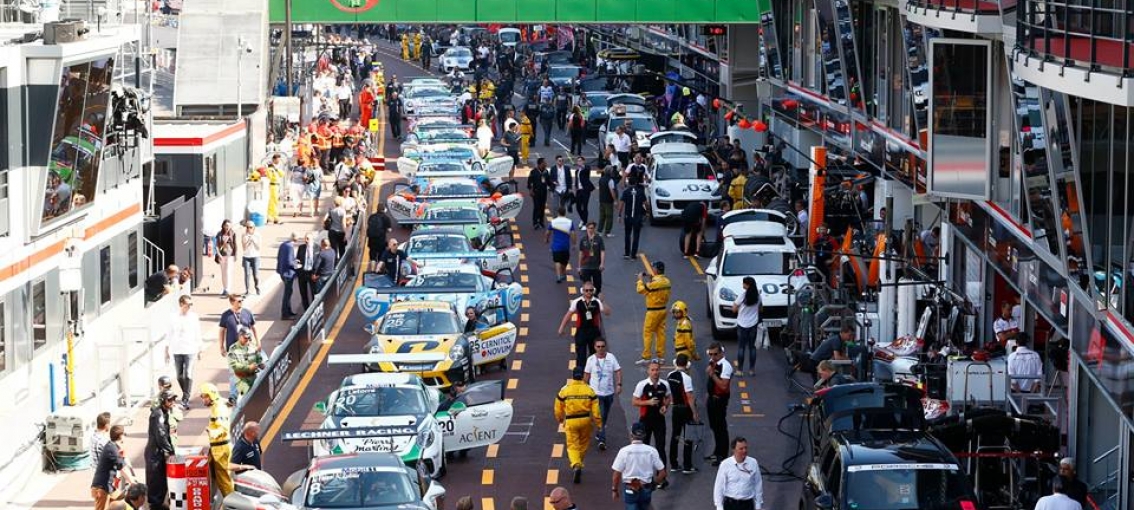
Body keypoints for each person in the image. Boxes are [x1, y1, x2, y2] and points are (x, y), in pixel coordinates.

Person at [555, 366, 602, 484]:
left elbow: (558, 406)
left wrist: (560, 419)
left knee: (572, 445)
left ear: (572, 376)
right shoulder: (589, 390)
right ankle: (579, 462)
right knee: (584, 444)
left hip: (571, 421)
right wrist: (599, 423)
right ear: (582, 376)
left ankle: (576, 464)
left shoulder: (565, 390)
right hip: (586, 420)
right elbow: (596, 410)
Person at [611, 422, 667, 510]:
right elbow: (663, 473)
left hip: (630, 488)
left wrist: (615, 490)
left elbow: (616, 474)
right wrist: (654, 484)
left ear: (631, 435)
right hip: (646, 488)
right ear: (644, 435)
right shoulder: (652, 451)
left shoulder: (624, 451)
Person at [558, 281, 609, 367]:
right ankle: (581, 376)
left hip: (594, 332)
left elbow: (608, 313)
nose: (589, 292)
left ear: (594, 290)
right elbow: (568, 315)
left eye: (591, 290)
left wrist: (603, 301)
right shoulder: (577, 302)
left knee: (595, 355)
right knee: (581, 355)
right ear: (582, 291)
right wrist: (561, 328)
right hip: (581, 332)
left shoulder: (597, 302)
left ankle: (594, 373)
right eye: (586, 290)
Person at [632, 362, 671, 470]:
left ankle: (661, 477)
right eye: (652, 370)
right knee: (644, 447)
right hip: (645, 420)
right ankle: (644, 475)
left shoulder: (664, 384)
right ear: (648, 371)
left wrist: (665, 406)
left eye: (657, 370)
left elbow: (668, 397)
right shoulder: (642, 385)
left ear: (660, 371)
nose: (655, 372)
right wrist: (648, 402)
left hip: (659, 420)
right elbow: (634, 402)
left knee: (661, 448)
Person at [583, 338, 621, 450]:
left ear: (605, 347)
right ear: (594, 347)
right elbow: (586, 375)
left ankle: (599, 431)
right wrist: (585, 389)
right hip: (596, 394)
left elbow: (618, 370)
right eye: (598, 346)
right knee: (601, 416)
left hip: (609, 393)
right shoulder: (590, 360)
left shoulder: (611, 357)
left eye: (602, 346)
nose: (600, 349)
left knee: (604, 416)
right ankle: (602, 440)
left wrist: (619, 384)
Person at [667, 353, 700, 474]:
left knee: (675, 435)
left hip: (675, 408)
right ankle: (687, 465)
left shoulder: (670, 375)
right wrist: (694, 412)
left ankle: (674, 464)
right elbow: (689, 397)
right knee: (688, 437)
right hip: (685, 409)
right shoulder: (686, 378)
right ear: (686, 364)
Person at [167, 295, 201, 409]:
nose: (190, 307)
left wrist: (200, 348)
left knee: (188, 373)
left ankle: (186, 397)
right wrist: (166, 349)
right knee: (179, 375)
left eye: (191, 304)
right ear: (181, 304)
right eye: (188, 304)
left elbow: (197, 332)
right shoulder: (173, 317)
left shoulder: (193, 317)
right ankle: (186, 392)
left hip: (190, 349)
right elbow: (169, 333)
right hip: (177, 349)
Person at [712, 437, 765, 510]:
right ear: (733, 450)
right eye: (741, 449)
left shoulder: (753, 463)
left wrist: (758, 504)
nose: (744, 451)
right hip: (730, 505)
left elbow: (758, 484)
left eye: (745, 448)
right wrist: (719, 506)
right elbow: (719, 486)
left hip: (747, 504)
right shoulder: (725, 464)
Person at [200, 383, 234, 496]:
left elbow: (223, 428)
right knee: (222, 479)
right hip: (218, 448)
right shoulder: (218, 404)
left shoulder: (218, 409)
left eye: (205, 396)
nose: (203, 399)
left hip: (221, 448)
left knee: (224, 481)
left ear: (211, 395)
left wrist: (212, 432)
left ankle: (232, 504)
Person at [146, 390, 177, 510]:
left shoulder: (165, 413)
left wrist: (170, 449)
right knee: (156, 481)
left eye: (173, 399)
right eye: (169, 400)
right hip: (154, 453)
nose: (172, 402)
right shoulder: (157, 414)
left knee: (161, 481)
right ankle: (155, 505)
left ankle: (158, 503)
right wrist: (170, 451)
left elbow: (165, 435)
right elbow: (161, 434)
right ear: (163, 401)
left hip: (159, 452)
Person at [636, 261, 671, 364]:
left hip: (653, 311)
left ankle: (646, 357)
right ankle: (661, 357)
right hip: (663, 310)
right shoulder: (667, 281)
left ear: (656, 270)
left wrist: (640, 280)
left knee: (648, 333)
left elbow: (640, 290)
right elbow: (656, 287)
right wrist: (651, 277)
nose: (652, 269)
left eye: (653, 268)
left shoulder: (654, 283)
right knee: (660, 333)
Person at [91, 425, 133, 510]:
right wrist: (132, 482)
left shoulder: (112, 446)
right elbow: (122, 467)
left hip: (108, 487)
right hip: (102, 488)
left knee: (121, 500)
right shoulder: (112, 449)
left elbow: (121, 465)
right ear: (120, 436)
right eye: (124, 434)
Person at [705, 342, 733, 465]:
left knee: (721, 428)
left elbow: (724, 386)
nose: (712, 356)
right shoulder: (713, 363)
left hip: (720, 400)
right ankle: (717, 452)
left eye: (715, 354)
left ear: (721, 352)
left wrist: (712, 375)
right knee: (714, 427)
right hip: (711, 399)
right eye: (710, 354)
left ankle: (722, 455)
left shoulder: (726, 366)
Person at [732, 277, 762, 377]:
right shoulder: (758, 296)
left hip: (742, 324)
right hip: (753, 324)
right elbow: (760, 308)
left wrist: (739, 309)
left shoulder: (743, 296)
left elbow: (734, 309)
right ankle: (752, 370)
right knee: (752, 347)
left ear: (747, 285)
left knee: (741, 347)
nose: (742, 285)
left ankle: (740, 370)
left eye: (743, 283)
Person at [228, 327, 264, 398]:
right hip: (241, 381)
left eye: (249, 338)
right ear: (239, 336)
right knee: (244, 400)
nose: (247, 340)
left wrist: (261, 364)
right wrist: (248, 367)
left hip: (253, 378)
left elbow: (259, 358)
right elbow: (234, 366)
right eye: (245, 338)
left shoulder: (252, 346)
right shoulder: (233, 349)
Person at [619, 179, 648, 258]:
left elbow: (621, 204)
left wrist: (619, 215)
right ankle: (633, 254)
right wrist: (647, 212)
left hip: (628, 216)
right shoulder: (640, 192)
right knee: (636, 235)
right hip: (637, 216)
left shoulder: (626, 192)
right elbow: (646, 203)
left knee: (627, 234)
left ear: (628, 183)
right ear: (635, 183)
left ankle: (627, 253)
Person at [547, 207, 576, 284]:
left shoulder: (553, 222)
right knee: (565, 261)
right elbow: (573, 234)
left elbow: (548, 232)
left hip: (556, 246)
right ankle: (562, 273)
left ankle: (558, 275)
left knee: (557, 261)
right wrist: (574, 244)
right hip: (566, 246)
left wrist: (546, 239)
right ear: (565, 213)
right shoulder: (569, 222)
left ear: (558, 213)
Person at [578, 222, 605, 295]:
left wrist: (602, 264)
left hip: (596, 266)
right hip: (586, 266)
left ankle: (597, 301)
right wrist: (579, 267)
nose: (590, 230)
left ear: (594, 229)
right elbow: (581, 253)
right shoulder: (583, 239)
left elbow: (602, 251)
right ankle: (588, 302)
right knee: (587, 286)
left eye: (592, 228)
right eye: (589, 228)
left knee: (598, 287)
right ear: (586, 228)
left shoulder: (599, 239)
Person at [276, 233, 298, 319]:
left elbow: (279, 257)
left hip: (282, 271)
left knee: (288, 291)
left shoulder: (283, 245)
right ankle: (285, 313)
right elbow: (289, 262)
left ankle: (289, 310)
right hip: (288, 273)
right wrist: (296, 264)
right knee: (287, 293)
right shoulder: (290, 247)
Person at [367, 204, 392, 273]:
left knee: (373, 256)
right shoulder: (386, 218)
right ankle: (379, 270)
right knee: (381, 256)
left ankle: (372, 270)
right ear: (384, 209)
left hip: (372, 240)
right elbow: (389, 230)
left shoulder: (372, 216)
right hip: (381, 240)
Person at [528, 158, 551, 230]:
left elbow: (548, 181)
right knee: (536, 207)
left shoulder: (546, 172)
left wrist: (553, 185)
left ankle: (541, 221)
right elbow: (530, 182)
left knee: (542, 207)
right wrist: (531, 190)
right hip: (536, 192)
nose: (546, 164)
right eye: (544, 163)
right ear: (540, 164)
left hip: (544, 192)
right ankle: (535, 222)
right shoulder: (533, 172)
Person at [240, 221, 262, 296]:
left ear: (254, 228)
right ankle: (247, 290)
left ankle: (257, 287)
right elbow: (244, 248)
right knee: (247, 274)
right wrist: (248, 242)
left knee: (256, 275)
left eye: (250, 227)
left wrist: (253, 241)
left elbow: (258, 248)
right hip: (246, 257)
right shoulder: (244, 235)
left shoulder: (257, 235)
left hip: (255, 257)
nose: (249, 229)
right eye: (247, 227)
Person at [296, 233, 317, 308]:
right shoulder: (301, 248)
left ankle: (314, 308)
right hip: (302, 273)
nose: (306, 240)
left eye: (308, 238)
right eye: (305, 238)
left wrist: (316, 273)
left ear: (312, 239)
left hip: (312, 273)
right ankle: (306, 310)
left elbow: (318, 261)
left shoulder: (317, 248)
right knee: (303, 293)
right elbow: (297, 259)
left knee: (314, 292)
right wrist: (298, 269)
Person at [598, 164, 618, 237]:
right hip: (608, 201)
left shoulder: (601, 179)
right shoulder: (610, 180)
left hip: (602, 200)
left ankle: (599, 231)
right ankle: (607, 232)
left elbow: (600, 189)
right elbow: (612, 191)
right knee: (609, 216)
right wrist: (615, 200)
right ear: (610, 171)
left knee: (602, 216)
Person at [573, 156, 594, 225]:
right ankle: (583, 219)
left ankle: (585, 223)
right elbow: (577, 180)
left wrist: (582, 166)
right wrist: (575, 188)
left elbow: (586, 169)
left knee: (585, 206)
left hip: (585, 190)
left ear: (583, 161)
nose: (579, 162)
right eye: (578, 161)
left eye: (580, 161)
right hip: (579, 190)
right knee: (578, 207)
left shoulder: (586, 168)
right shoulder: (577, 171)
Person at [265, 154, 285, 224]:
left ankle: (273, 217)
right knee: (273, 202)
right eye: (277, 160)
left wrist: (276, 169)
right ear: (274, 159)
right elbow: (269, 177)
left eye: (279, 160)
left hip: (277, 186)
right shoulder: (270, 168)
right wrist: (271, 168)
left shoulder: (276, 167)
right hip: (273, 186)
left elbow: (282, 174)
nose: (278, 161)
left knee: (275, 202)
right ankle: (272, 217)